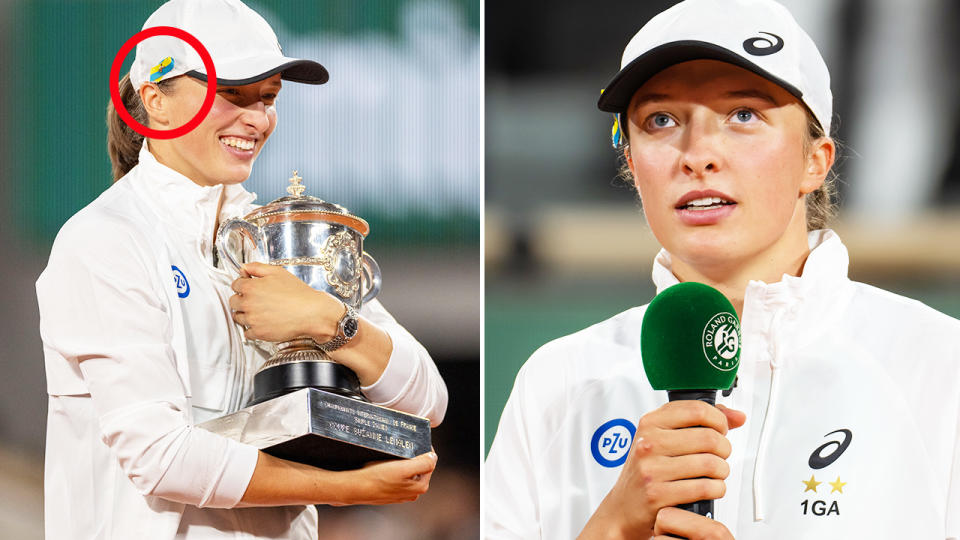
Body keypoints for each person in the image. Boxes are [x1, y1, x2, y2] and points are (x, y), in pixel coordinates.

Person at [484, 0, 960, 538]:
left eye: (743, 115)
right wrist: (612, 528)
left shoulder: (941, 364)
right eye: (661, 120)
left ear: (815, 160)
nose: (698, 154)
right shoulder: (557, 381)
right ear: (631, 163)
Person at [37, 0, 448, 538]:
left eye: (269, 98)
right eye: (232, 94)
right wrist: (346, 490)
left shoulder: (278, 239)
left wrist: (332, 324)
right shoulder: (105, 239)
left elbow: (427, 400)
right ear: (156, 101)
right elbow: (161, 456)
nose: (257, 118)